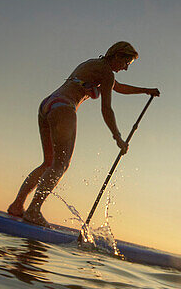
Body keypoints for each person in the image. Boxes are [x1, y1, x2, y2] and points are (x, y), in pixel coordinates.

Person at [8, 41, 160, 227]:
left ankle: (17, 205)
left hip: (48, 103)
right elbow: (106, 109)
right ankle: (33, 211)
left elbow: (118, 87)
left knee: (48, 162)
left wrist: (146, 91)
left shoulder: (94, 64)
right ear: (117, 56)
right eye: (126, 62)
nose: (126, 68)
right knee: (61, 164)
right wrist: (118, 137)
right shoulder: (106, 73)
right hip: (64, 108)